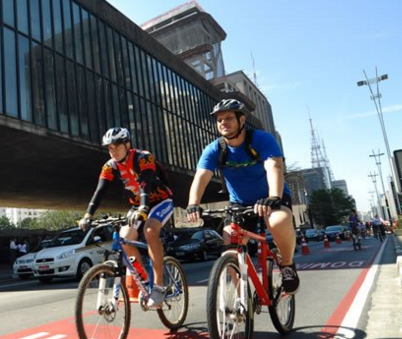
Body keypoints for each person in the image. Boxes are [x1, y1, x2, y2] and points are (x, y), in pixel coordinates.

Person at [186, 99, 300, 294]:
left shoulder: (261, 140)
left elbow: (274, 166)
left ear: (242, 120)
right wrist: (193, 203)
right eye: (219, 119)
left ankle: (287, 265)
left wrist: (273, 196)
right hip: (239, 204)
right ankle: (242, 298)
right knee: (229, 244)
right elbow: (201, 176)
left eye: (229, 118)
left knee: (279, 220)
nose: (223, 122)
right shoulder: (215, 149)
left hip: (270, 197)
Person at [79, 127, 174, 308]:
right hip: (138, 205)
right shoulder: (110, 166)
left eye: (116, 146)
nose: (113, 151)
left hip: (160, 200)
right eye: (109, 148)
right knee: (124, 238)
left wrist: (145, 207)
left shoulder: (143, 157)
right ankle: (145, 282)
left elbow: (144, 183)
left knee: (150, 229)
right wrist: (88, 215)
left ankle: (159, 287)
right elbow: (100, 190)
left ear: (127, 145)